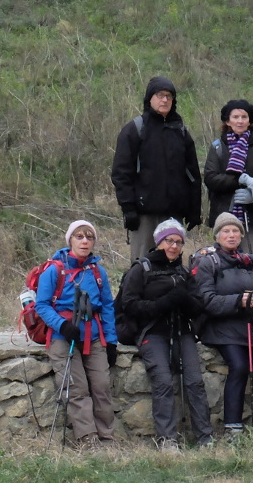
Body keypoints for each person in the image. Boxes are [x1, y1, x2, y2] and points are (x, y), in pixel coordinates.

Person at [117, 219, 213, 448]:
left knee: (195, 382)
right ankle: (167, 439)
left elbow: (199, 306)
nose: (174, 246)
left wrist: (184, 300)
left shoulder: (183, 272)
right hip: (152, 332)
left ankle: (205, 437)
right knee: (163, 382)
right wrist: (164, 303)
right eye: (169, 241)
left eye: (179, 242)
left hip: (181, 331)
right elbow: (128, 305)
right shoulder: (141, 269)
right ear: (159, 242)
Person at [193, 212, 253, 446]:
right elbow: (206, 300)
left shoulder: (252, 261)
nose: (231, 235)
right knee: (239, 366)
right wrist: (239, 300)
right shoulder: (208, 262)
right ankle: (233, 428)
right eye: (226, 231)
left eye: (235, 231)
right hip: (224, 329)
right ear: (217, 235)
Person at [34, 220, 118, 447]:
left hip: (93, 335)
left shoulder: (98, 271)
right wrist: (62, 325)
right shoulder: (55, 269)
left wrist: (111, 341)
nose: (84, 241)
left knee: (101, 386)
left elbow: (108, 306)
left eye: (89, 237)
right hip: (63, 336)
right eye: (79, 236)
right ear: (70, 240)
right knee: (77, 388)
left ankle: (107, 438)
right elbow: (42, 305)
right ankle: (88, 440)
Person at [111, 76, 202, 260]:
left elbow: (193, 174)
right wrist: (128, 208)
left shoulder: (181, 131)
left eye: (169, 96)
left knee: (172, 264)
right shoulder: (135, 129)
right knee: (142, 265)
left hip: (174, 213)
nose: (165, 100)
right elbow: (121, 173)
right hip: (144, 214)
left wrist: (194, 209)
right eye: (160, 95)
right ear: (150, 98)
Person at [204, 100, 253, 254]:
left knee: (248, 260)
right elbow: (210, 179)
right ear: (227, 121)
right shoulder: (218, 147)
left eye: (244, 117)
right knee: (224, 261)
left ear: (250, 121)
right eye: (235, 117)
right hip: (224, 215)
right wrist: (239, 180)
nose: (240, 121)